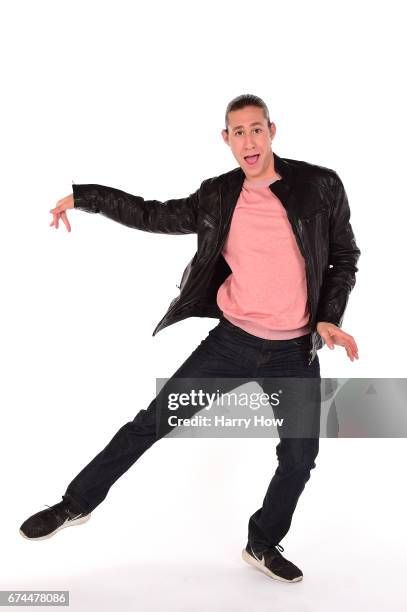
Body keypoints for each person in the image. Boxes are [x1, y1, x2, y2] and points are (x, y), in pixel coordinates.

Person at [19, 94, 361, 583]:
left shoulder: (320, 186)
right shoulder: (219, 195)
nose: (249, 140)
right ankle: (75, 503)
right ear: (226, 140)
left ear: (272, 132)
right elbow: (154, 214)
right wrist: (87, 197)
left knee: (300, 458)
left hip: (295, 353)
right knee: (151, 423)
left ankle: (262, 543)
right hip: (232, 345)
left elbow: (343, 256)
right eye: (238, 132)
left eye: (257, 129)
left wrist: (328, 318)